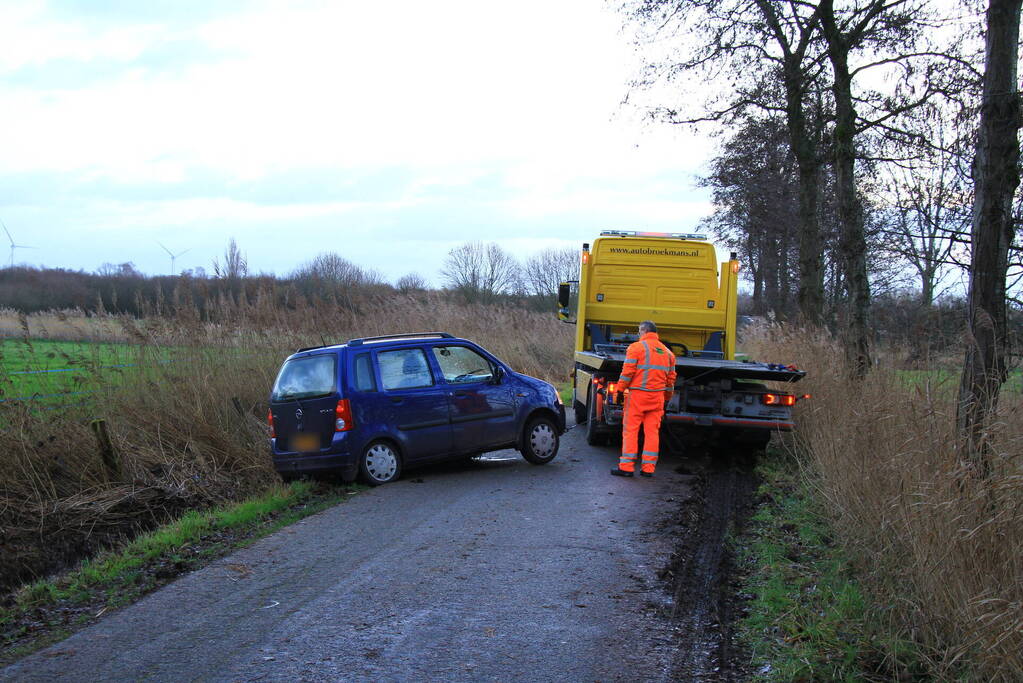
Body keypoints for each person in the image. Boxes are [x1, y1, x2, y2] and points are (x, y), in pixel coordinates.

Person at [610, 321, 676, 478]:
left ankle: (626, 467)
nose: (638, 335)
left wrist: (619, 390)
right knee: (652, 432)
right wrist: (666, 398)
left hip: (638, 397)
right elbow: (670, 380)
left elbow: (627, 373)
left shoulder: (636, 348)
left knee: (631, 430)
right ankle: (648, 469)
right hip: (657, 397)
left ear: (644, 331)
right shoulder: (668, 353)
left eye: (639, 332)